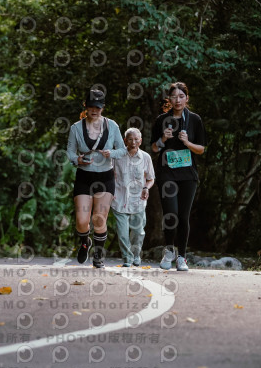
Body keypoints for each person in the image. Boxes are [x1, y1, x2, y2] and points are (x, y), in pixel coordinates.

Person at [66, 89, 126, 268]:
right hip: (84, 176)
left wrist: (111, 153)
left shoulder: (112, 126)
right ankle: (85, 241)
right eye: (91, 106)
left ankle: (98, 255)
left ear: (103, 107)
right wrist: (77, 160)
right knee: (82, 221)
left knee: (99, 218)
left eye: (98, 107)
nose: (94, 110)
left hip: (105, 177)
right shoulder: (76, 128)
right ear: (85, 106)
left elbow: (122, 150)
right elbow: (70, 152)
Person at [151, 82, 206, 271]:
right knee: (170, 213)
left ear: (187, 98)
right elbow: (154, 148)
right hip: (167, 173)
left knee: (183, 216)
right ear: (169, 99)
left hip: (188, 174)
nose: (178, 100)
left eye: (181, 96)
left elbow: (201, 149)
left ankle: (182, 257)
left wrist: (187, 142)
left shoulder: (195, 120)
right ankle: (169, 251)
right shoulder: (161, 120)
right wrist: (163, 139)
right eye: (174, 97)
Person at [112, 128, 155, 267]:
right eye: (130, 139)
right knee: (122, 233)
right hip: (119, 199)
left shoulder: (146, 157)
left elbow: (151, 179)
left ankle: (136, 255)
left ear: (140, 141)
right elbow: (109, 175)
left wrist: (146, 188)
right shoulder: (117, 156)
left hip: (138, 200)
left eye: (136, 139)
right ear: (125, 141)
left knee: (138, 232)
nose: (133, 142)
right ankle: (127, 258)